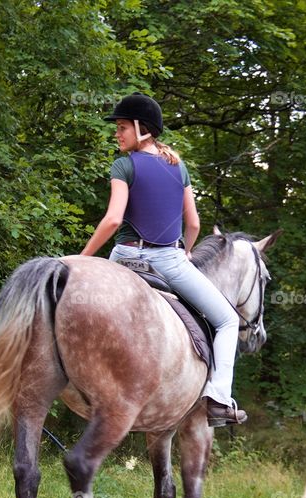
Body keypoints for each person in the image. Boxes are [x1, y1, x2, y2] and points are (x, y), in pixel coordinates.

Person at [80, 92, 246, 425]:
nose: (118, 133)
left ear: (143, 129)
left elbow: (113, 221)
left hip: (124, 256)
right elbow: (194, 223)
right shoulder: (178, 168)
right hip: (169, 259)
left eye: (123, 127)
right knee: (228, 321)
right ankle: (218, 398)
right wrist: (185, 251)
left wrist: (81, 258)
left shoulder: (123, 165)